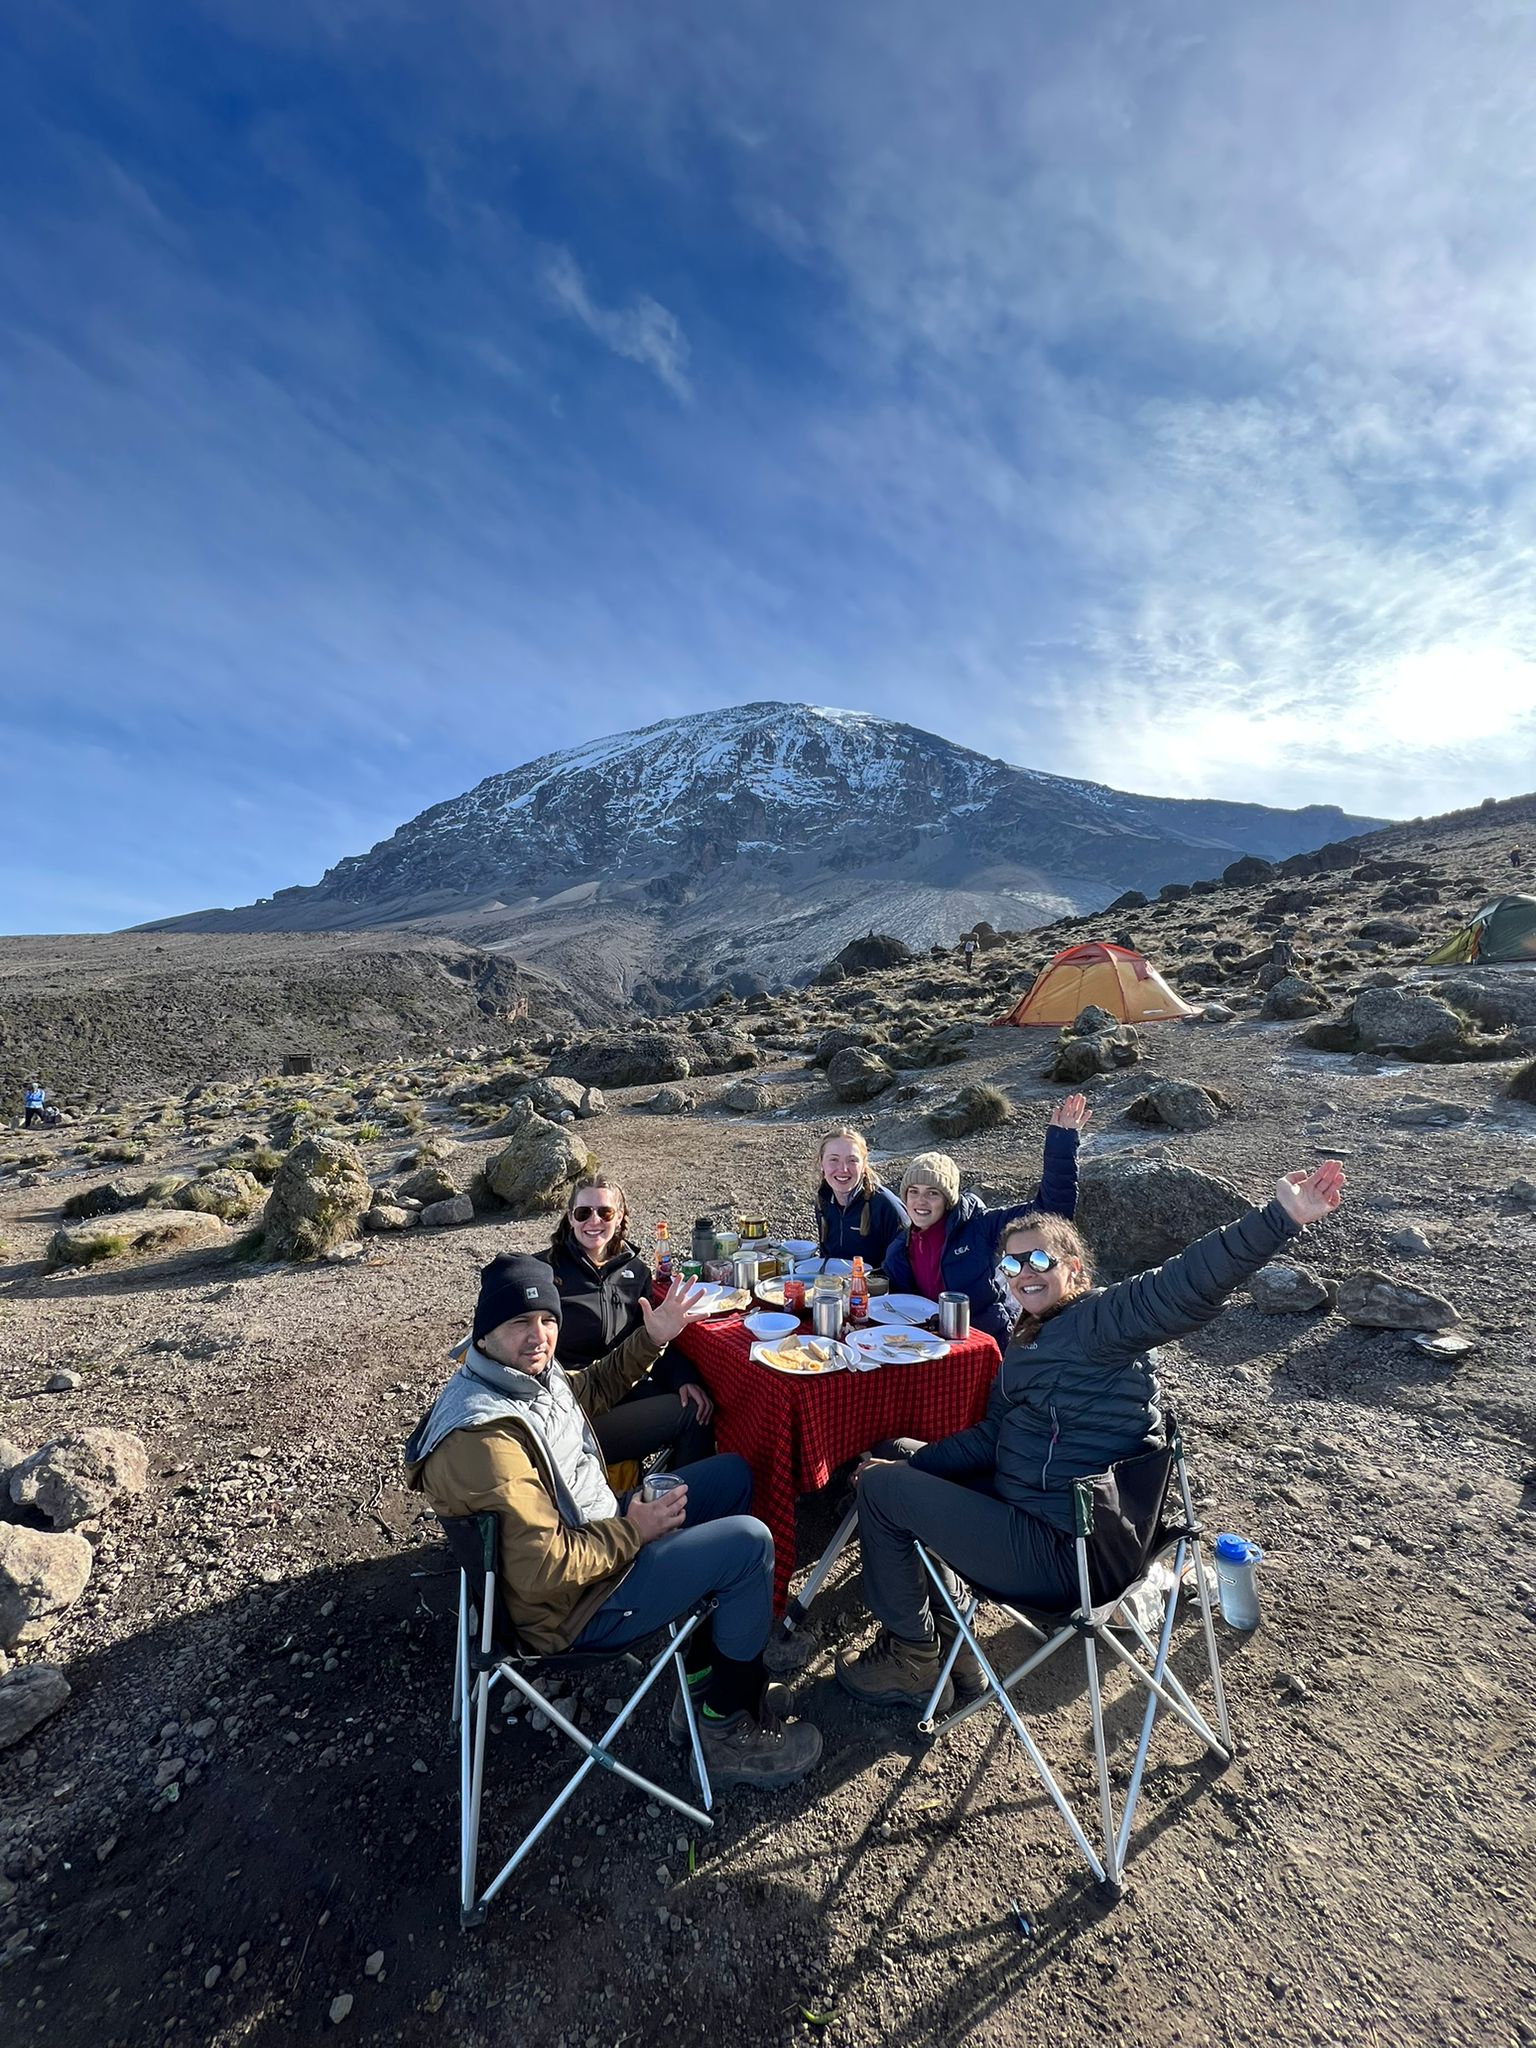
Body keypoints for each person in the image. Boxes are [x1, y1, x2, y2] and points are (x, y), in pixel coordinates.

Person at [835, 1160, 1347, 1714]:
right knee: (896, 1455)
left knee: (883, 1491)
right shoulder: (1029, 1340)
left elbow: (1181, 1284)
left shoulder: (1098, 1323)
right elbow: (992, 1438)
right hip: (1045, 1512)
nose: (1022, 1272)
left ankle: (911, 1657)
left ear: (1074, 1271)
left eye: (1038, 1260)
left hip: (1062, 1551)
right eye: (1010, 1263)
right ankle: (950, 1635)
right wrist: (913, 1464)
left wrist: (1280, 1218)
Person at [405, 1254, 822, 1790]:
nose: (539, 1337)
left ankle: (704, 1680)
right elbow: (544, 1571)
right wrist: (636, 1529)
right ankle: (726, 1728)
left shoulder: (517, 1376)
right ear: (484, 1331)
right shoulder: (484, 1440)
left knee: (733, 1476)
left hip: (590, 1531)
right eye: (519, 1323)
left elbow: (584, 1394)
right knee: (748, 1543)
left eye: (548, 1320)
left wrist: (653, 1338)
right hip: (575, 1607)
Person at [880, 1096, 1091, 1344]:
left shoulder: (979, 1227)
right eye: (913, 1192)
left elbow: (1051, 1213)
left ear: (948, 1200)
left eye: (932, 1193)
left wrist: (1062, 1142)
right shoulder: (900, 1247)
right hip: (933, 1345)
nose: (920, 1201)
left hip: (990, 1342)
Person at [543, 1179, 715, 1472]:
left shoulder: (634, 1271)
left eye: (605, 1213)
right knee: (688, 1414)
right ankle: (674, 1510)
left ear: (620, 1216)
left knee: (699, 1400)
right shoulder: (544, 1273)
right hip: (573, 1408)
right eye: (584, 1213)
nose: (594, 1221)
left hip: (621, 1388)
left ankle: (665, 1494)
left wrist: (683, 1378)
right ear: (570, 1217)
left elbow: (645, 1339)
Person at [813, 1128, 910, 1267]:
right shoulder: (823, 1201)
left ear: (864, 1165)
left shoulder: (886, 1206)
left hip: (878, 1286)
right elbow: (827, 1258)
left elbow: (905, 1266)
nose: (843, 1169)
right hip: (834, 1285)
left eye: (852, 1160)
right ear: (821, 1162)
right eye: (834, 1159)